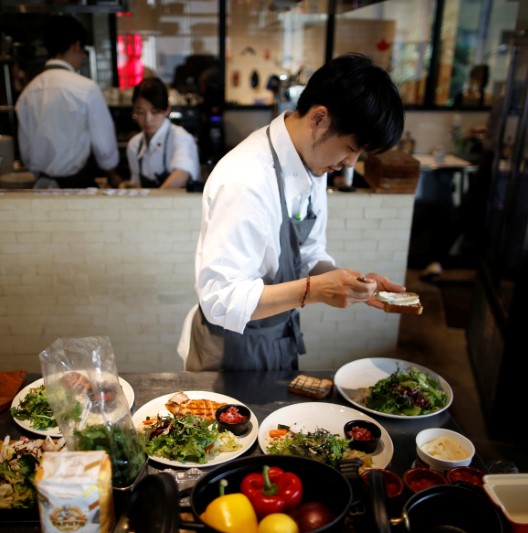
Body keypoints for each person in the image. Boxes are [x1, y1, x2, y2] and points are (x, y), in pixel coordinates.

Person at [184, 53, 407, 371]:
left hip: (277, 339)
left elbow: (309, 253)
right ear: (319, 120)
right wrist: (317, 290)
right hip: (228, 352)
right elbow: (220, 299)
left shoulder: (314, 164)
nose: (350, 164)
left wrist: (351, 283)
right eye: (351, 148)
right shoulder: (245, 177)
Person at [16, 15, 122, 189]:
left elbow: (26, 153)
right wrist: (111, 172)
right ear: (76, 46)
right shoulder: (86, 88)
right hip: (77, 188)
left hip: (41, 188)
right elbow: (104, 146)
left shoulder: (28, 92)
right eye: (83, 51)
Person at [126, 77, 201, 189]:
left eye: (155, 112)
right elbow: (136, 183)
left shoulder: (181, 138)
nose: (148, 119)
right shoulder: (134, 145)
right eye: (141, 112)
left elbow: (182, 174)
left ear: (167, 110)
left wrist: (154, 202)